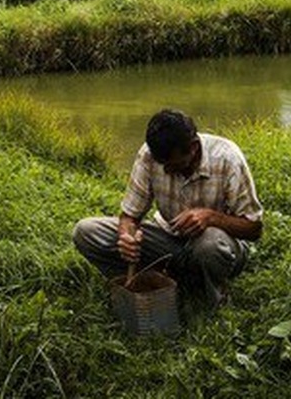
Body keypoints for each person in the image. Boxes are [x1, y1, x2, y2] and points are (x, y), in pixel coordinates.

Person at [72, 109, 263, 306]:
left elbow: (254, 229)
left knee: (209, 245)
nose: (166, 170)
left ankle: (212, 298)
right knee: (86, 231)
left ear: (193, 148)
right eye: (161, 164)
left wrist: (211, 218)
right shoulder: (149, 154)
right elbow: (130, 216)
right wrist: (126, 237)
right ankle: (152, 281)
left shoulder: (227, 158)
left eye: (173, 164)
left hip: (221, 247)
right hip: (170, 239)